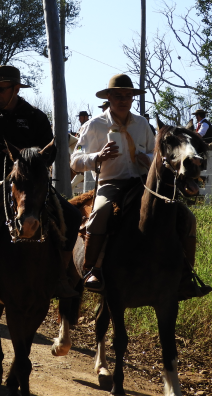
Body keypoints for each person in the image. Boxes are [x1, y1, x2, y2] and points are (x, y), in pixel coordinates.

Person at [0, 65, 82, 308]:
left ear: (16, 89)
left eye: (1, 88)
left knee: (72, 214)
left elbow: (50, 154)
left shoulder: (36, 118)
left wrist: (30, 160)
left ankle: (60, 277)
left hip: (29, 184)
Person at [70, 74, 156, 291]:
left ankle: (183, 272)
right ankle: (91, 268)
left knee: (179, 213)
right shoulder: (93, 126)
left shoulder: (143, 123)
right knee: (100, 212)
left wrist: (148, 158)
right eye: (118, 95)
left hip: (142, 182)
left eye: (128, 96)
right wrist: (98, 156)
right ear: (109, 97)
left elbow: (156, 153)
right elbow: (75, 161)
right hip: (110, 183)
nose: (124, 100)